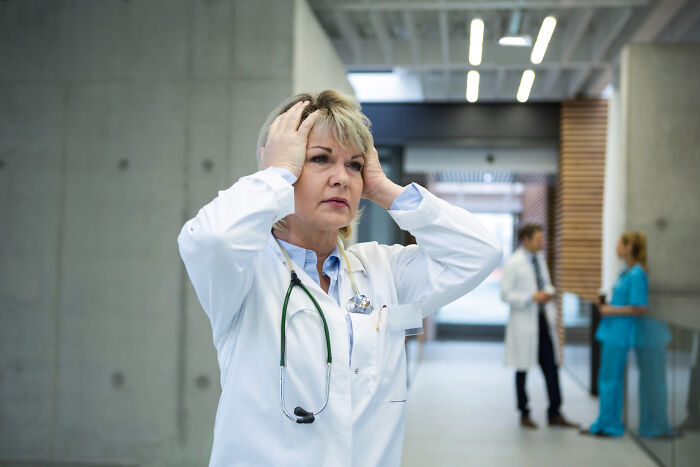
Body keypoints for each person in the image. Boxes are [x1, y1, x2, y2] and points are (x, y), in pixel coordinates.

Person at [177, 90, 502, 467]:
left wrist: (381, 187)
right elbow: (210, 239)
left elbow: (481, 252)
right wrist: (273, 175)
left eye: (354, 165)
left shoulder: (383, 271)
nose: (342, 179)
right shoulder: (245, 273)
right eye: (320, 159)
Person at [501, 224, 578, 429]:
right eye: (538, 239)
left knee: (551, 367)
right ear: (526, 240)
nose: (542, 242)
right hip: (524, 320)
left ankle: (555, 412)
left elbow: (546, 283)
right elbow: (505, 295)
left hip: (542, 319)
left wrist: (548, 292)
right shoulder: (513, 262)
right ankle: (524, 412)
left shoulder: (539, 259)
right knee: (522, 367)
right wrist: (531, 297)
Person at [583, 231, 649, 436]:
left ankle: (610, 424)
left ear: (629, 247)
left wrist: (611, 310)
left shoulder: (637, 273)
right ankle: (606, 421)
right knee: (608, 378)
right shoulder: (625, 271)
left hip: (620, 332)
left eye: (620, 244)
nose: (616, 248)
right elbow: (624, 302)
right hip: (611, 330)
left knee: (610, 380)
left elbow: (640, 307)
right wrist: (608, 306)